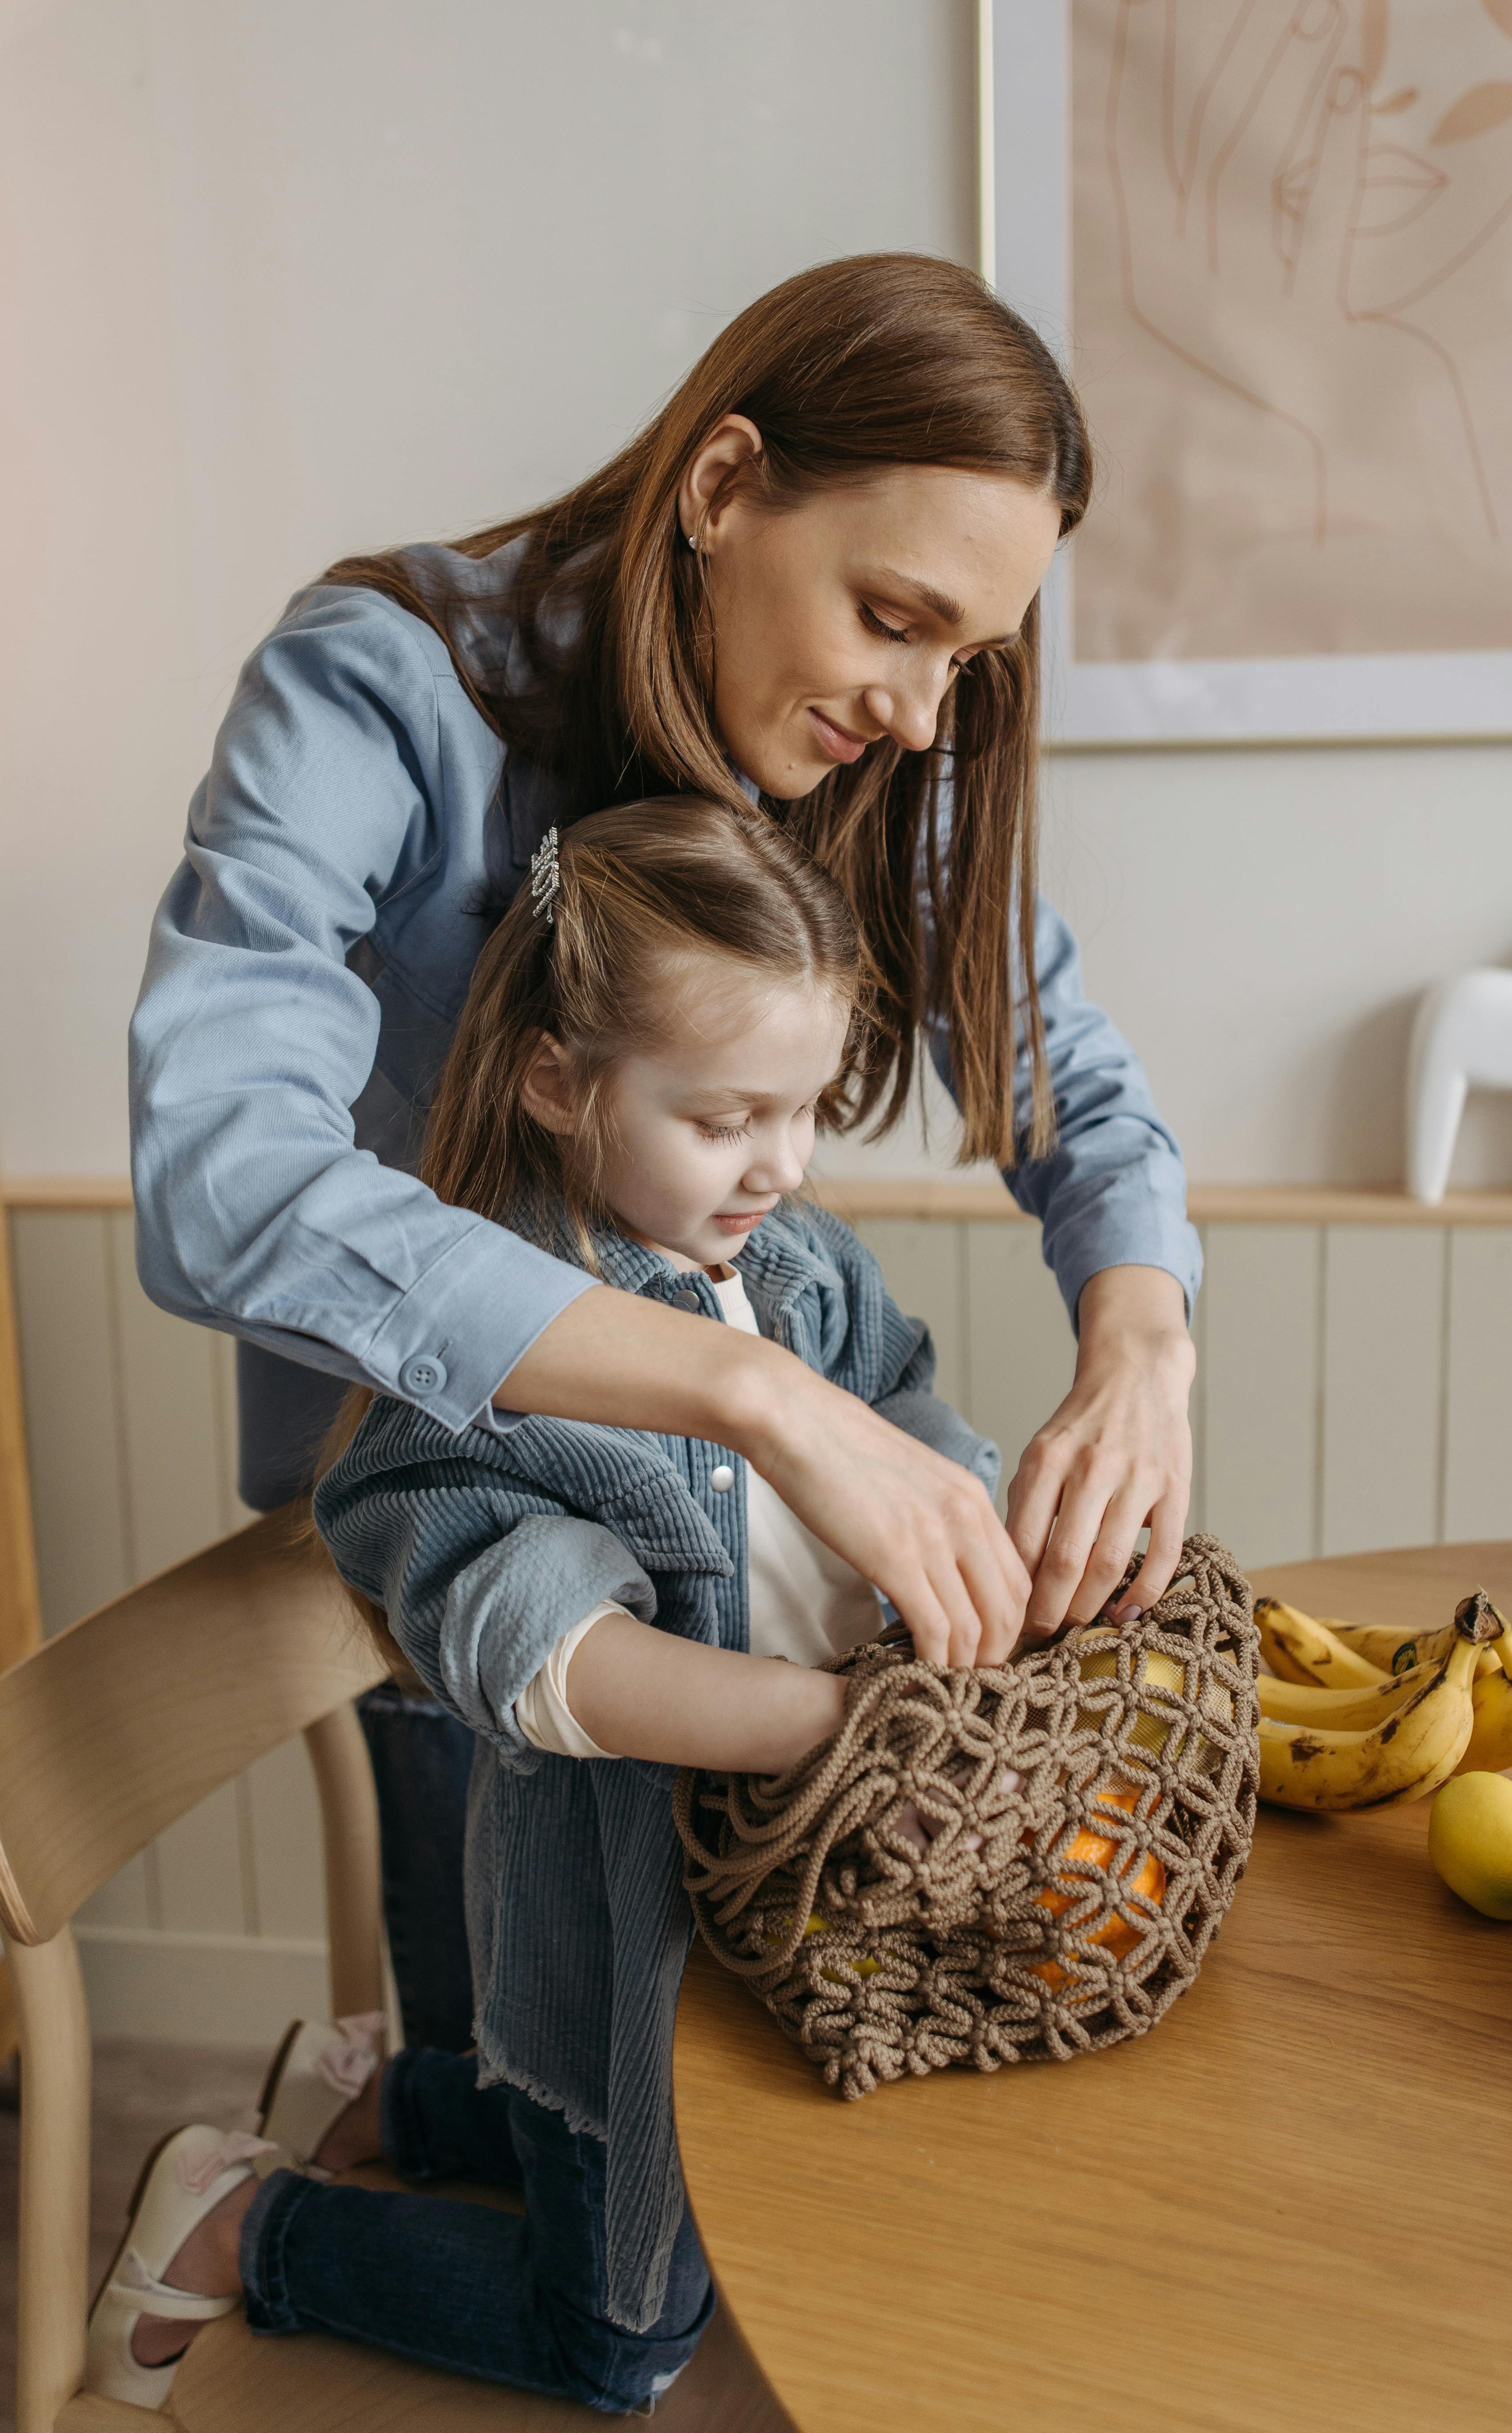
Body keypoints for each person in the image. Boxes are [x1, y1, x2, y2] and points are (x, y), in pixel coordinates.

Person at [129, 251, 1200, 2050]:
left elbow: (1064, 1076)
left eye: (966, 657)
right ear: (720, 488)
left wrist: (1142, 1343)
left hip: (741, 1583)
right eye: (891, 619)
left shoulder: (872, 747)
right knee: (542, 2118)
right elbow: (218, 1178)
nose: (924, 715)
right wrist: (761, 1396)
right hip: (457, 1579)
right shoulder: (380, 689)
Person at [91, 802, 1015, 2408]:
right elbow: (545, 1653)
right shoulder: (491, 1366)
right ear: (555, 1081)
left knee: (721, 2199)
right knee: (627, 2336)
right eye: (731, 1117)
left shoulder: (791, 1259)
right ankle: (250, 2222)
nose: (783, 1166)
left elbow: (903, 1390)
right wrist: (832, 1723)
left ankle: (381, 2099)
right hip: (625, 1938)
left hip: (781, 1896)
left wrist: (962, 1499)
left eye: (807, 1111)